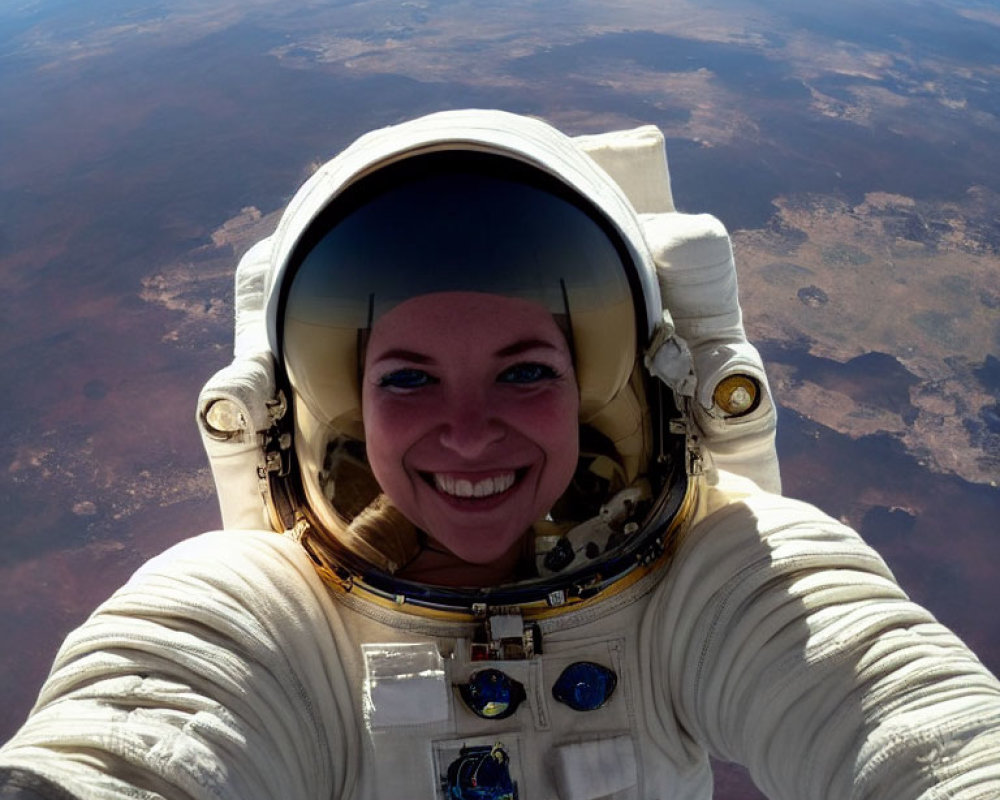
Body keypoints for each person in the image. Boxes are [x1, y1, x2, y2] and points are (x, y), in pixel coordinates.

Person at [1, 108, 999, 800]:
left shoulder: (721, 568)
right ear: (339, 404)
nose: (470, 430)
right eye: (408, 378)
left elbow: (895, 711)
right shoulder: (259, 608)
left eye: (525, 371)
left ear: (602, 392)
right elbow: (141, 730)